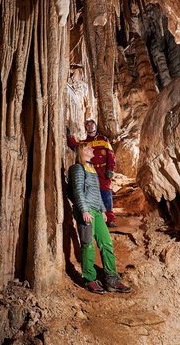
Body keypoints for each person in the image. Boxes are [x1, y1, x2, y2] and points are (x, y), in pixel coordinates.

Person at [69, 142, 131, 294]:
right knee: (88, 245)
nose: (91, 149)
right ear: (81, 152)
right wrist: (84, 210)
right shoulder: (78, 168)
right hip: (86, 211)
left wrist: (103, 210)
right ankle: (89, 279)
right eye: (88, 148)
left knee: (106, 243)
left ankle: (112, 279)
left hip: (96, 211)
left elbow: (97, 192)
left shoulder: (92, 169)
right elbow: (78, 191)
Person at [68, 118, 118, 227]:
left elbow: (111, 155)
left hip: (103, 170)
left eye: (92, 124)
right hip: (90, 170)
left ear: (95, 126)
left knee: (106, 193)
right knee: (93, 193)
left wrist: (110, 169)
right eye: (88, 125)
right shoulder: (84, 142)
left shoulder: (103, 140)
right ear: (85, 128)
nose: (90, 126)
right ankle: (96, 216)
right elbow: (76, 147)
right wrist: (70, 137)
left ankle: (110, 218)